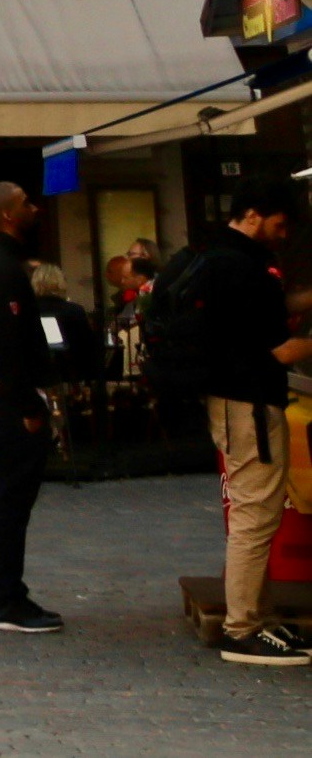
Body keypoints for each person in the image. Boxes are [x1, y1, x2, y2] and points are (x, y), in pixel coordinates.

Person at [150, 187, 312, 664]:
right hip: (248, 402)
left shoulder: (215, 255)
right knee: (255, 513)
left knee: (252, 510)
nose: (285, 235)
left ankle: (255, 616)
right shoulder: (242, 267)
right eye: (281, 225)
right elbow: (278, 348)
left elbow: (270, 310)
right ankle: (243, 628)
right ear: (254, 214)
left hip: (229, 398)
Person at [0, 181, 60, 635]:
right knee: (10, 502)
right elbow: (7, 345)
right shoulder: (0, 267)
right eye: (24, 203)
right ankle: (5, 600)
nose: (34, 208)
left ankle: (11, 594)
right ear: (6, 213)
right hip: (6, 398)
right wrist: (27, 403)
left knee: (13, 503)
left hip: (4, 393)